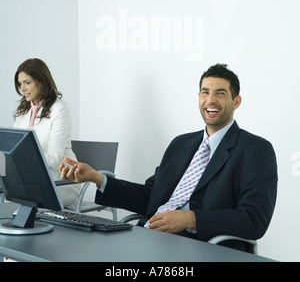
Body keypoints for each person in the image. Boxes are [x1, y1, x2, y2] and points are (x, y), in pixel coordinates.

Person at [59, 64, 277, 252]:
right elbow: (149, 197)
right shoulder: (181, 144)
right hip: (150, 239)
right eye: (204, 92)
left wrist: (191, 219)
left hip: (202, 246)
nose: (211, 100)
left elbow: (254, 219)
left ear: (236, 101)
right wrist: (97, 178)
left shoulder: (255, 149)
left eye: (220, 93)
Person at [13, 58, 80, 208]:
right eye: (20, 83)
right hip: (31, 181)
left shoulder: (59, 109)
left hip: (60, 181)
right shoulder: (22, 112)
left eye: (27, 82)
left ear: (41, 81)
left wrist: (23, 161)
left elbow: (54, 159)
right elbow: (13, 150)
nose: (22, 88)